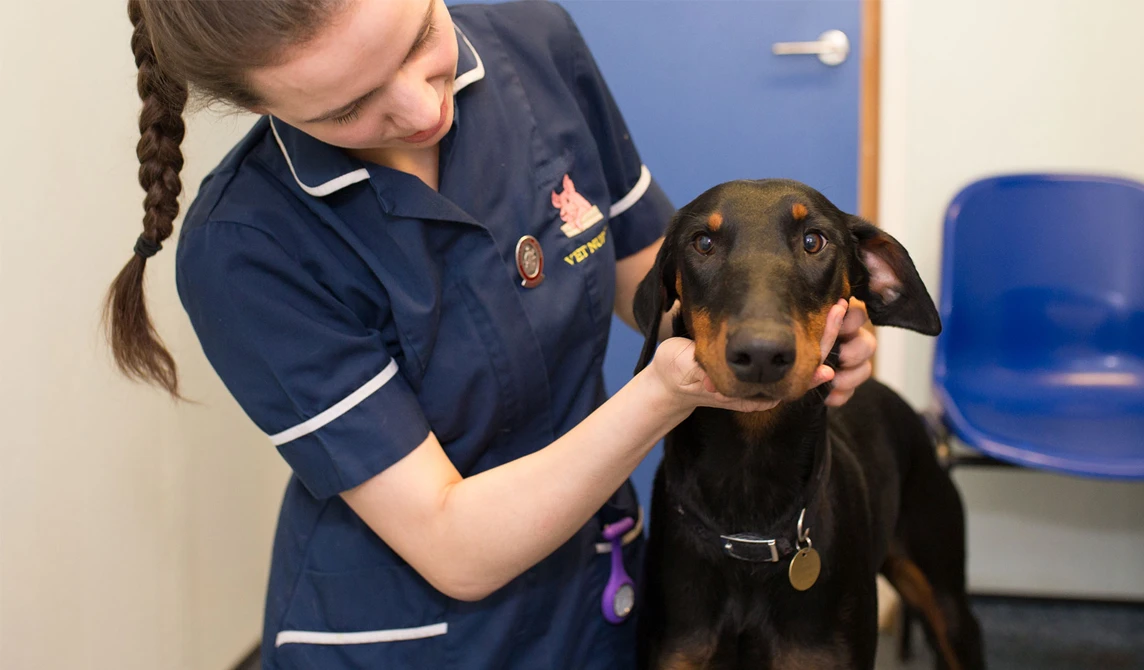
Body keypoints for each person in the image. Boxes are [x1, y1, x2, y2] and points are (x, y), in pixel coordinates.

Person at [105, 0, 877, 667]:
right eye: (347, 108)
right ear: (258, 106)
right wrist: (664, 394)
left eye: (418, 39)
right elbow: (454, 546)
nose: (420, 111)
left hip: (597, 592)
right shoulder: (245, 246)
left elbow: (655, 286)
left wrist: (795, 331)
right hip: (416, 639)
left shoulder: (536, 48)